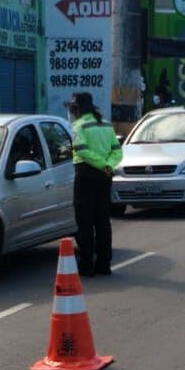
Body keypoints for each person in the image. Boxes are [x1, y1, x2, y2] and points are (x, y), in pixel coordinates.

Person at [68, 91, 121, 277]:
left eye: (73, 109)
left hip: (85, 175)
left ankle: (86, 265)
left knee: (85, 222)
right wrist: (107, 166)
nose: (72, 112)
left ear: (78, 110)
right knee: (102, 220)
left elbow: (81, 151)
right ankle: (104, 264)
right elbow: (117, 151)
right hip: (105, 176)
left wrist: (100, 164)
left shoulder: (78, 126)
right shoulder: (106, 125)